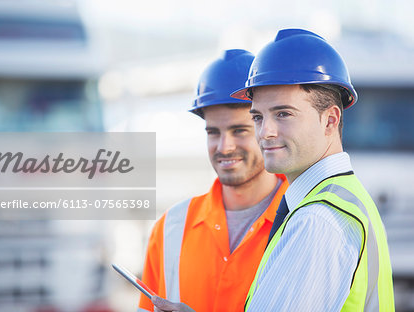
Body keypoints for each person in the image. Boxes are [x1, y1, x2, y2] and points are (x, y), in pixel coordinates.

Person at [228, 28, 394, 311]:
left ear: (330, 120)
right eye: (257, 116)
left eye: (283, 114)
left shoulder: (318, 221)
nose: (265, 132)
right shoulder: (341, 200)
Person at [138, 49, 288, 312]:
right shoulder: (170, 229)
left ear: (267, 129)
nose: (224, 147)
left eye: (239, 131)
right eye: (213, 133)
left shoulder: (300, 221)